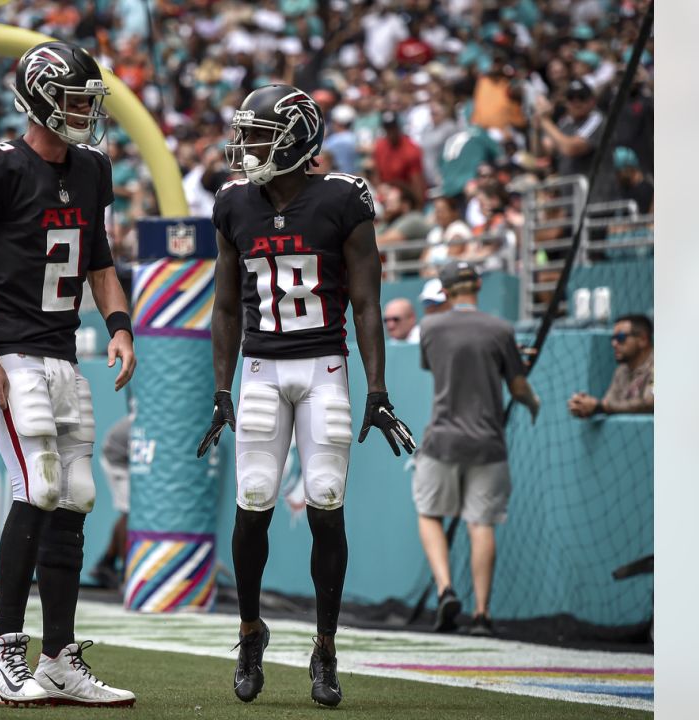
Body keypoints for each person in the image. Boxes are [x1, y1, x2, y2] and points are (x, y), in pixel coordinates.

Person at [198, 84, 416, 708]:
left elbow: (369, 303)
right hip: (261, 368)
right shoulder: (234, 204)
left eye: (259, 136)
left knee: (325, 499)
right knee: (255, 498)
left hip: (323, 366)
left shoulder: (342, 199)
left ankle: (324, 646)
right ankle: (249, 631)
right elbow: (222, 306)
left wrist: (377, 387)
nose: (246, 147)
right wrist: (220, 387)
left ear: (296, 139)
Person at [0, 40, 137, 708]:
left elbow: (99, 258)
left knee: (77, 493)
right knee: (39, 484)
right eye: (75, 97)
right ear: (40, 98)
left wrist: (119, 326)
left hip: (61, 352)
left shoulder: (91, 169)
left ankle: (58, 658)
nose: (85, 110)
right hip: (13, 352)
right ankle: (2, 649)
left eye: (88, 99)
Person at [414, 261, 540, 638]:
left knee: (428, 511)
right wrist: (533, 403)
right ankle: (482, 614)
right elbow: (518, 388)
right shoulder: (501, 330)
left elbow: (437, 367)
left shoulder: (431, 327)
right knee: (480, 524)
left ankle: (446, 589)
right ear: (478, 285)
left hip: (442, 439)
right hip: (488, 442)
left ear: (446, 289)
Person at [533, 79, 616, 202]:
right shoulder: (565, 123)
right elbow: (542, 152)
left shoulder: (597, 120)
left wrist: (545, 121)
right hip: (572, 202)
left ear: (592, 101)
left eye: (582, 97)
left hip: (597, 202)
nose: (576, 102)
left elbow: (571, 148)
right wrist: (537, 128)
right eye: (571, 98)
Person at [568, 314, 654, 417]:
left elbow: (651, 402)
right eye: (613, 338)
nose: (614, 343)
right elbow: (608, 403)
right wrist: (585, 407)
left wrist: (600, 407)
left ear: (643, 339)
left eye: (621, 337)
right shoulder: (622, 370)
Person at [91, 411, 132, 590]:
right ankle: (127, 574)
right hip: (117, 458)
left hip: (128, 455)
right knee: (130, 513)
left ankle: (106, 562)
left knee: (129, 512)